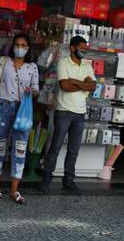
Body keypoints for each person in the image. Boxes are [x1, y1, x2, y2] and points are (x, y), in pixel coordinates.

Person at [0, 33, 39, 204]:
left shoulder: (32, 67)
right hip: (2, 108)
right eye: (17, 44)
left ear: (28, 48)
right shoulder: (3, 62)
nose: (20, 48)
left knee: (20, 148)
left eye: (23, 45)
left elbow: (36, 89)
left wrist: (31, 91)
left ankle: (14, 190)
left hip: (23, 110)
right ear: (13, 46)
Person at [40, 36, 96, 195]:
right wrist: (82, 83)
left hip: (80, 113)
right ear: (72, 48)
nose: (84, 50)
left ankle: (68, 180)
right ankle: (46, 181)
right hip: (63, 111)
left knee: (73, 150)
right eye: (81, 48)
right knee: (55, 147)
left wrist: (75, 82)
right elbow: (64, 86)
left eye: (85, 48)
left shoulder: (87, 65)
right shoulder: (63, 63)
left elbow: (92, 86)